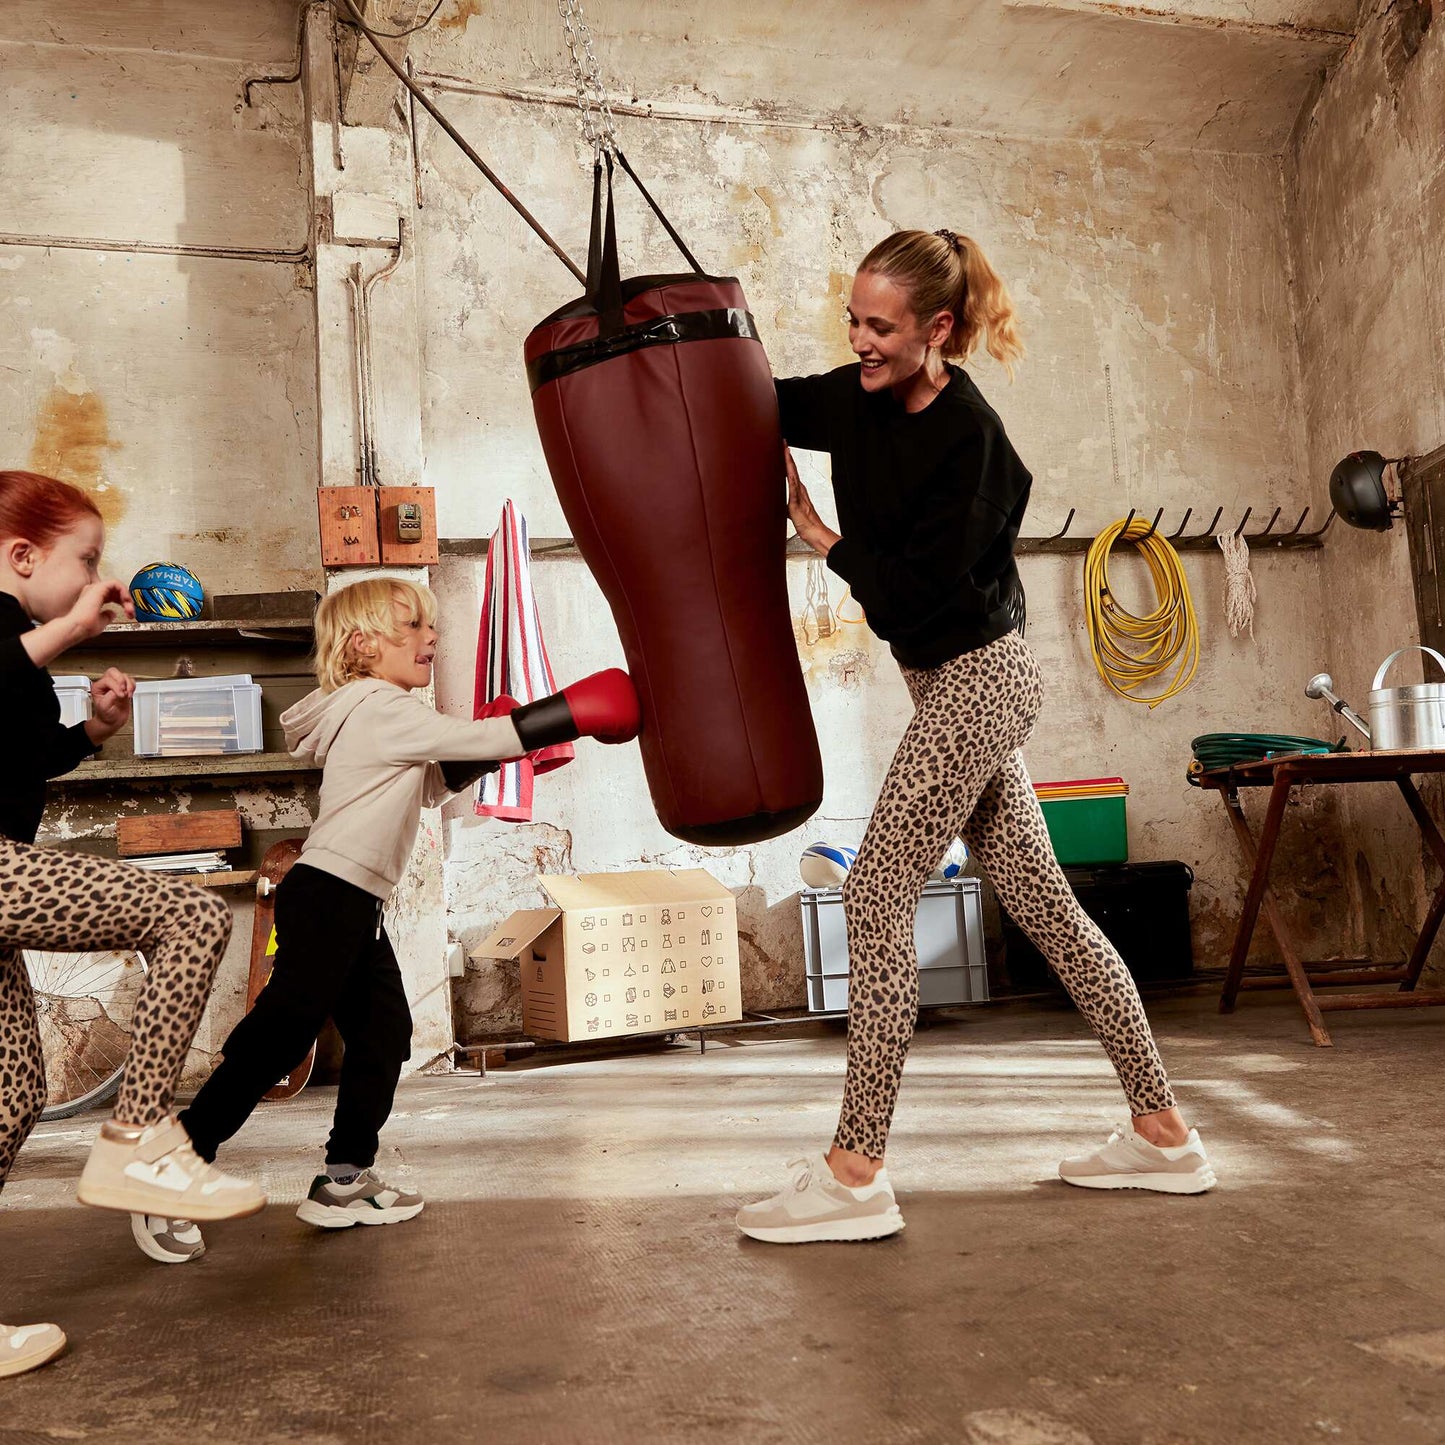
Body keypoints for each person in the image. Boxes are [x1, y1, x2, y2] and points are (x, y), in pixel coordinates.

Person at [736, 230, 1216, 1245]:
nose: (858, 342)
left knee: (873, 890)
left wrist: (817, 534)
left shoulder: (976, 445)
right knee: (1050, 909)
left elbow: (913, 586)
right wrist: (708, 342)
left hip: (979, 682)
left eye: (880, 326)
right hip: (940, 683)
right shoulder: (856, 395)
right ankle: (1163, 1131)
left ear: (936, 328)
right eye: (851, 322)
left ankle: (855, 1170)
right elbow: (766, 400)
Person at [142, 577, 640, 1257]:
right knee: (283, 1032)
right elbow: (477, 735)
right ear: (362, 644)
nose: (429, 636)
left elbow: (430, 782)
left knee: (383, 1034)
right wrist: (571, 710)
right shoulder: (378, 703)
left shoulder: (372, 711)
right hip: (329, 894)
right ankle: (170, 1162)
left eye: (428, 625)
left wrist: (487, 748)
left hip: (350, 899)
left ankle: (343, 1179)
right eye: (411, 625)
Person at [0, 469, 263, 1376]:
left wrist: (93, 732)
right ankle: (135, 1138)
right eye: (86, 560)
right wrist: (68, 630)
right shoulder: (8, 632)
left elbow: (21, 754)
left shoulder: (22, 647)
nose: (93, 579)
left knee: (12, 1091)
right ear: (21, 555)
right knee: (190, 912)